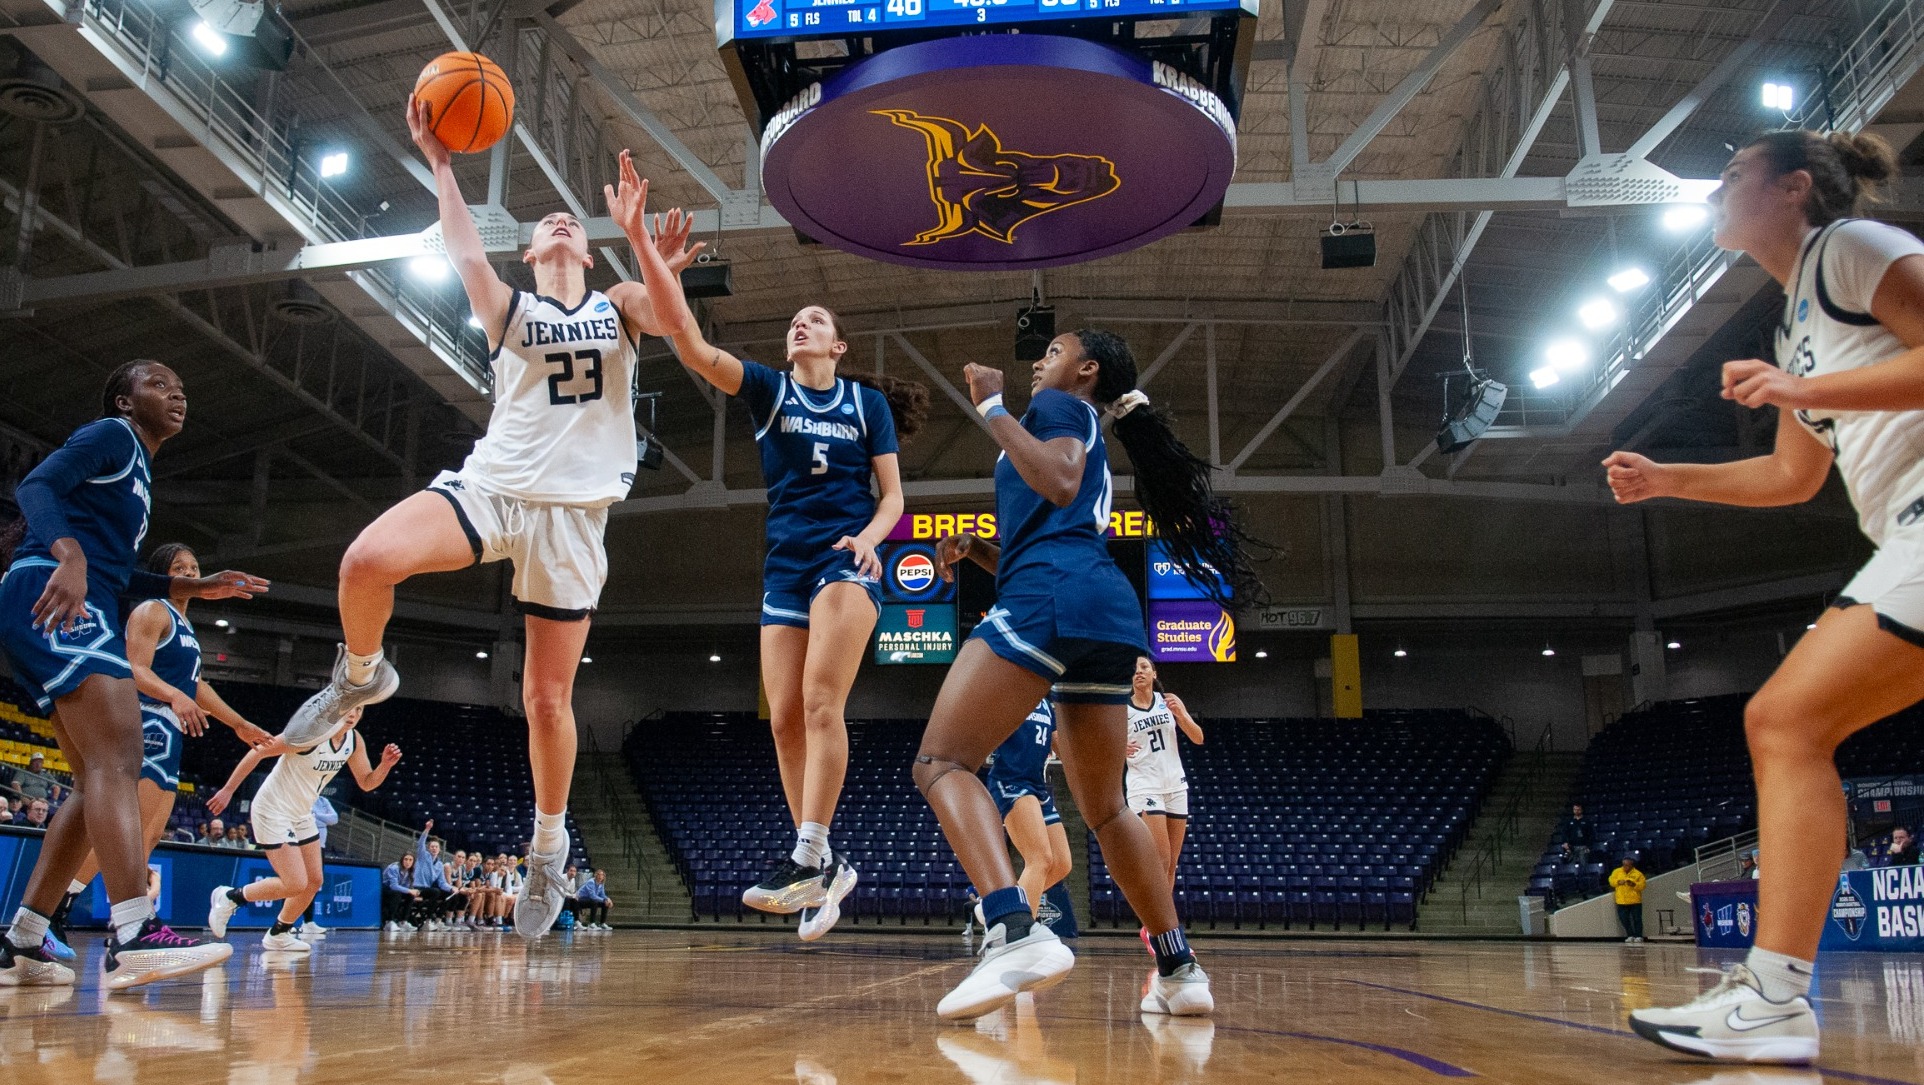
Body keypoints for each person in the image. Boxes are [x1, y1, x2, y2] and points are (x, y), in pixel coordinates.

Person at [273, 103, 697, 942]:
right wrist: (440, 164)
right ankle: (361, 673)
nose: (560, 223)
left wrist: (641, 237)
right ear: (533, 255)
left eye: (572, 222)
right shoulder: (510, 310)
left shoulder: (615, 302)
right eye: (546, 225)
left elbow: (678, 322)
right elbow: (464, 249)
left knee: (546, 699)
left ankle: (547, 845)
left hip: (573, 519)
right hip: (493, 489)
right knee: (364, 560)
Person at [1610, 128, 1924, 1064]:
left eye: (1733, 171)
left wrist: (1809, 382)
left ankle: (1777, 994)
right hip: (1902, 528)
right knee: (1791, 724)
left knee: (1786, 722)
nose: (1717, 185)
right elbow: (1792, 477)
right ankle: (1776, 996)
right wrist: (1671, 480)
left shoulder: (1855, 248)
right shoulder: (1791, 323)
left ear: (1795, 188)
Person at [913, 327, 1265, 1021]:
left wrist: (991, 408)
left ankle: (1013, 929)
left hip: (1053, 593)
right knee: (1106, 807)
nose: (1041, 360)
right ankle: (1178, 967)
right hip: (1101, 607)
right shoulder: (1079, 426)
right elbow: (1057, 515)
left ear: (1087, 371)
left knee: (940, 760)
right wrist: (981, 549)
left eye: (1056, 352)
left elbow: (1059, 476)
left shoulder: (1059, 409)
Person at [629, 158, 930, 944]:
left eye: (816, 319)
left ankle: (809, 853)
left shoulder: (866, 403)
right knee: (784, 720)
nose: (802, 323)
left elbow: (895, 496)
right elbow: (692, 347)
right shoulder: (770, 389)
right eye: (795, 319)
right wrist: (658, 267)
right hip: (784, 566)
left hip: (844, 560)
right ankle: (824, 867)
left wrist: (868, 539)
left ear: (838, 343)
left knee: (824, 702)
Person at [0, 360, 267, 990]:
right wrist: (66, 556)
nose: (177, 392)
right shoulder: (111, 436)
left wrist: (192, 585)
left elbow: (118, 573)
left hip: (71, 593)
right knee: (121, 755)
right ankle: (134, 933)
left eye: (182, 385)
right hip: (51, 589)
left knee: (93, 780)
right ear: (124, 400)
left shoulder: (139, 470)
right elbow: (36, 488)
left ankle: (24, 941)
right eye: (159, 383)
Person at [50, 542, 272, 955]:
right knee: (123, 836)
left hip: (170, 729)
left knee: (148, 837)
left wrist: (238, 723)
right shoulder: (152, 610)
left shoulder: (186, 628)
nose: (189, 573)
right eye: (179, 567)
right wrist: (174, 695)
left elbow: (197, 687)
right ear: (162, 573)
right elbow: (134, 669)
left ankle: (127, 931)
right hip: (146, 720)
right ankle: (52, 916)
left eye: (194, 566)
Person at [206, 706, 400, 951]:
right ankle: (230, 897)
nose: (352, 714)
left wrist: (385, 765)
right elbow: (258, 751)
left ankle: (278, 934)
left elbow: (366, 782)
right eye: (348, 707)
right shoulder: (311, 733)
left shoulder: (354, 739)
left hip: (301, 813)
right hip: (272, 809)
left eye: (359, 709)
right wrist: (228, 790)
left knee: (314, 880)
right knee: (295, 882)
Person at [980, 697, 1072, 919]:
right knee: (1039, 859)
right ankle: (1020, 932)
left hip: (1036, 786)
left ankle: (997, 907)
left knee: (1061, 864)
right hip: (1011, 779)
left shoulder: (1048, 706)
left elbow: (1062, 748)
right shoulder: (1010, 696)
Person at [1125, 658, 1205, 893]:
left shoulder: (1169, 701)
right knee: (1161, 859)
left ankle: (1162, 924)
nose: (1139, 672)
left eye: (1144, 668)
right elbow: (1105, 749)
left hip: (1175, 784)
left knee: (1171, 864)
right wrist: (1118, 749)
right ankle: (1154, 924)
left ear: (1154, 673)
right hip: (1145, 785)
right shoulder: (1122, 709)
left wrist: (1181, 715)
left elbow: (1198, 737)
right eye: (1134, 669)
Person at [1609, 857, 1646, 943]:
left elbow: (1643, 885)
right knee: (1624, 919)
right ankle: (1630, 935)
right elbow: (1611, 881)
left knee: (1637, 919)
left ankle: (1639, 936)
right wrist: (1618, 882)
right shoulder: (1616, 871)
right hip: (1621, 901)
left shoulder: (1638, 874)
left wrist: (1634, 884)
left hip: (1635, 900)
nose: (1625, 867)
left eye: (1627, 865)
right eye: (1624, 865)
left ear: (1632, 865)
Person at [382, 851, 421, 931]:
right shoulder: (394, 868)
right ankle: (389, 921)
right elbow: (393, 886)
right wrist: (410, 890)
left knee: (410, 895)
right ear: (402, 860)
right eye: (406, 859)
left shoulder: (411, 871)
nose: (408, 862)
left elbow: (406, 887)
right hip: (385, 890)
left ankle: (403, 922)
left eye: (410, 860)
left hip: (396, 891)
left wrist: (413, 892)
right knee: (397, 893)